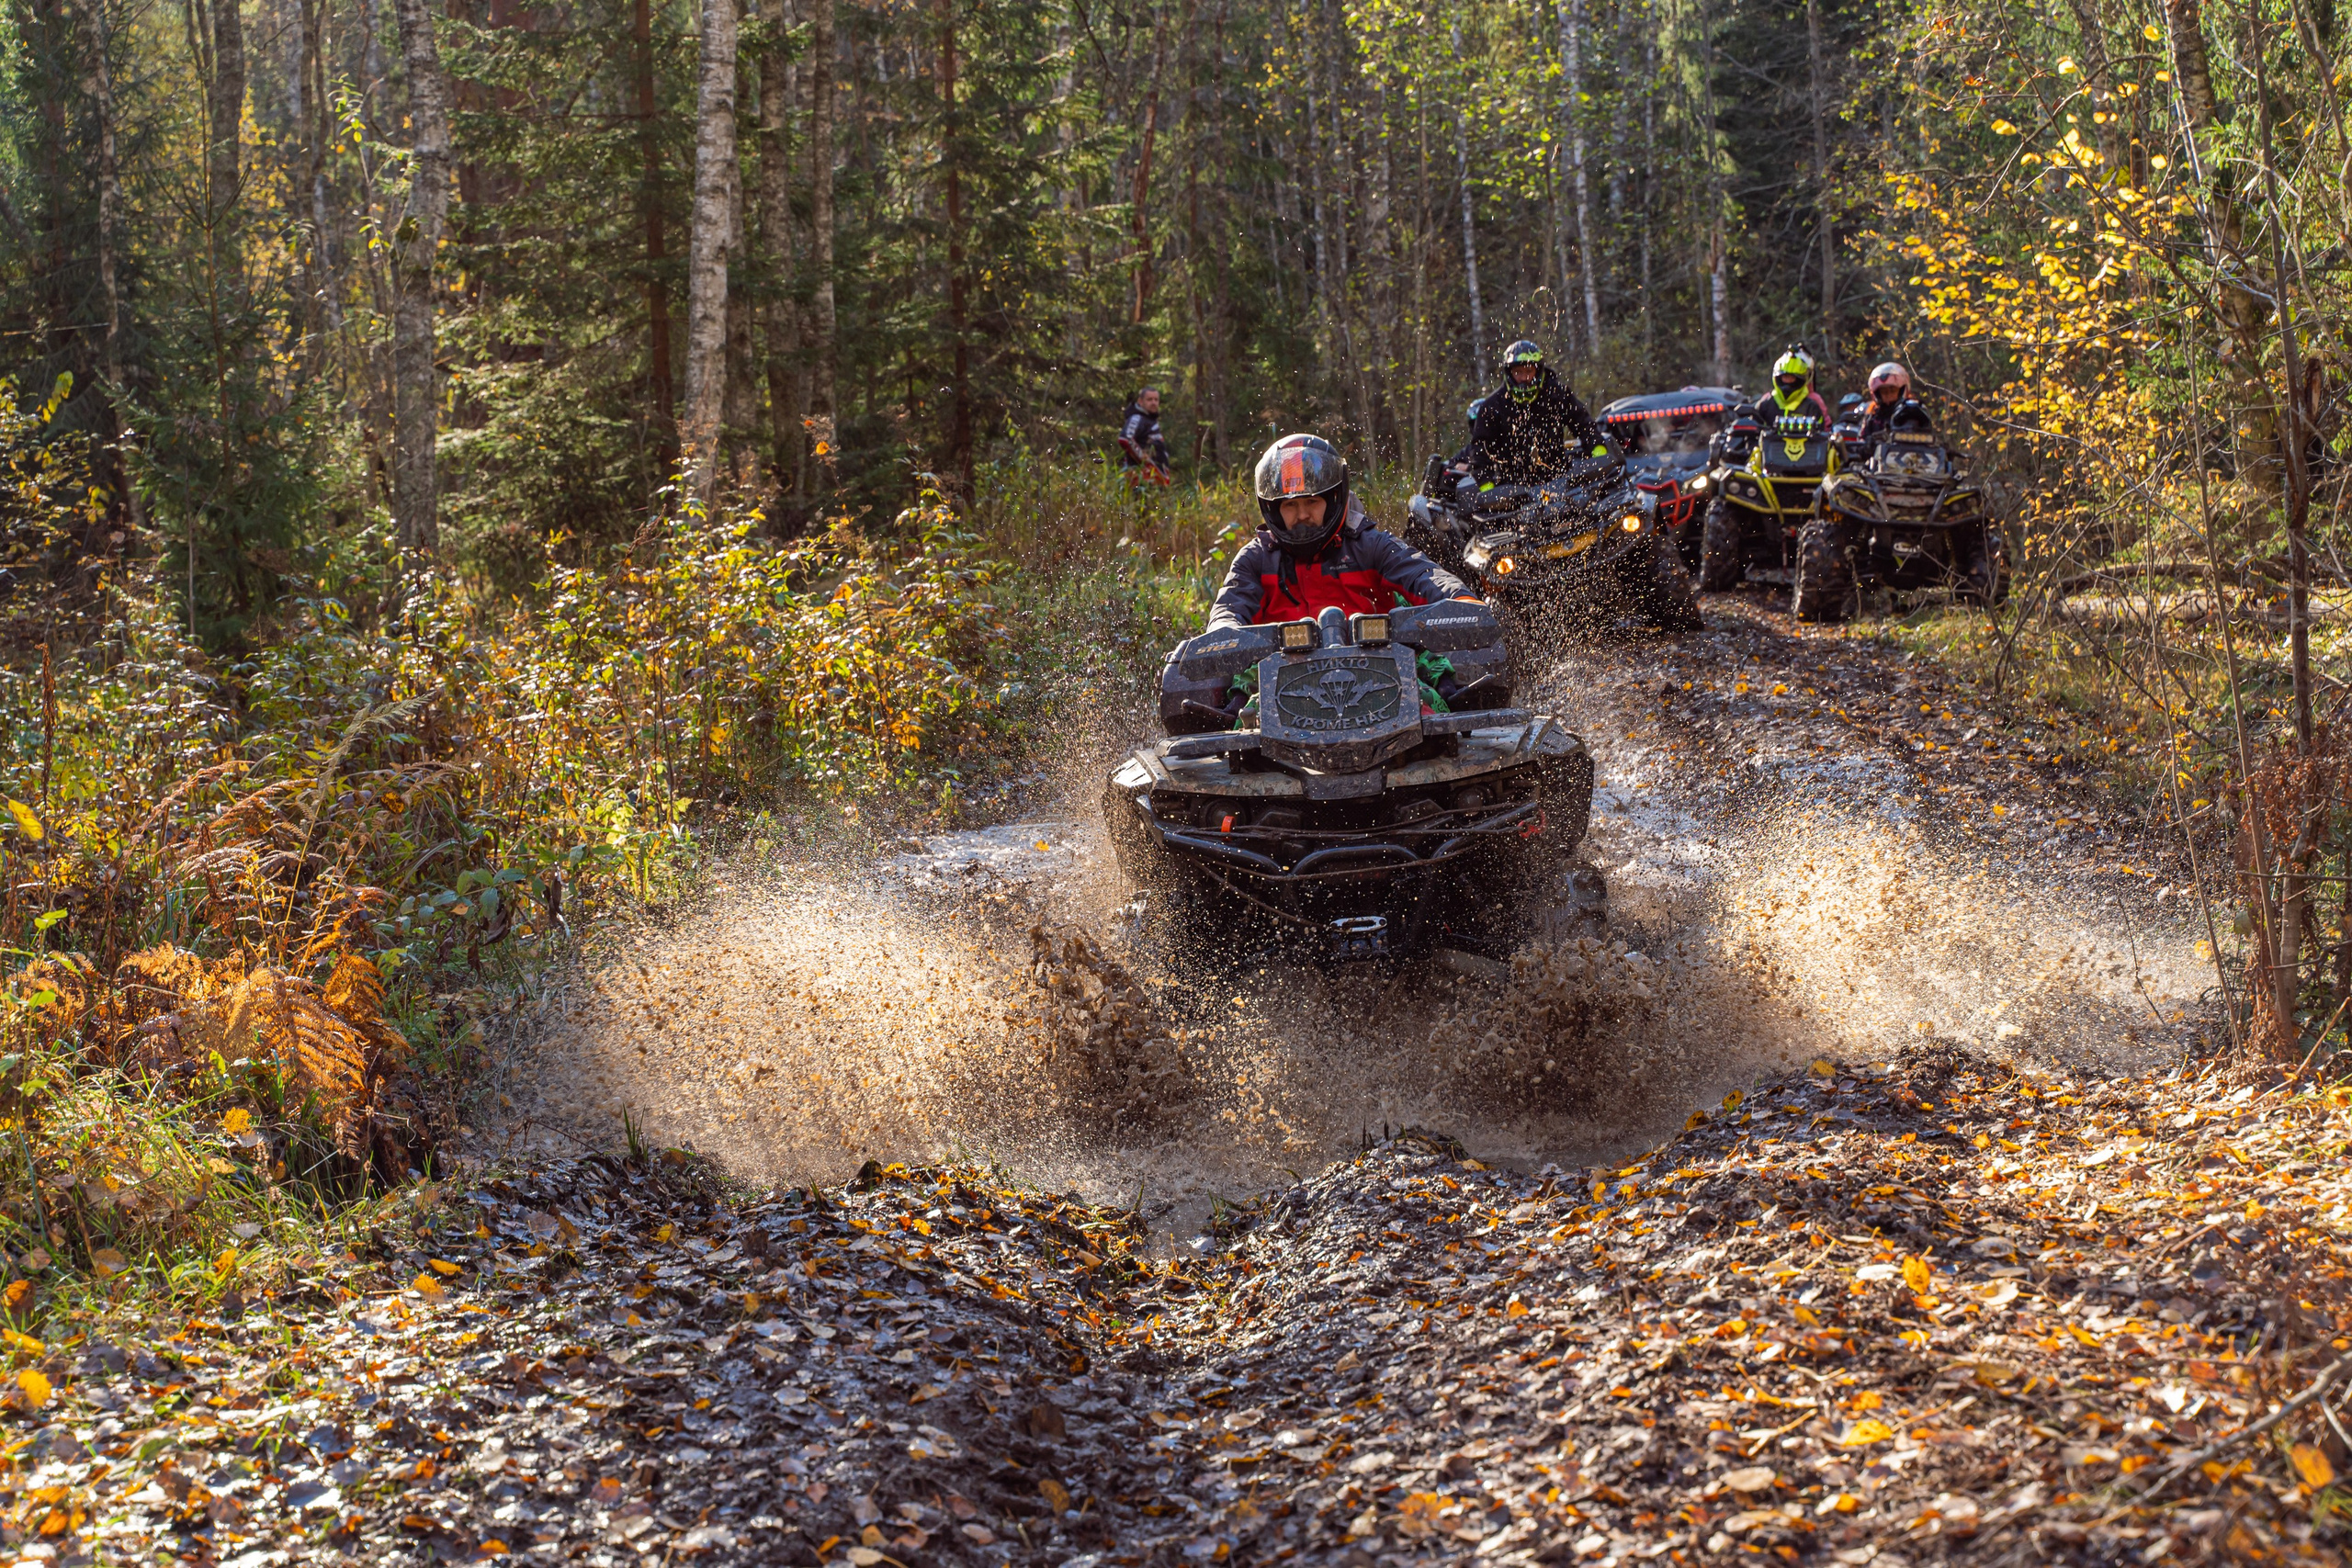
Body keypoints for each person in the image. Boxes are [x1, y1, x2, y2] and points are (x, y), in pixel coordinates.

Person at [1210, 434, 1474, 630]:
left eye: (1312, 502)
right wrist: (1223, 632)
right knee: (1224, 700)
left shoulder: (1369, 544)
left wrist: (1459, 599)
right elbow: (1229, 609)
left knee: (1447, 690)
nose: (1302, 514)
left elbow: (1422, 574)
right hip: (1275, 685)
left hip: (1381, 673)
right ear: (1273, 508)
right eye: (1291, 505)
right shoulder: (1256, 558)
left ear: (1333, 499)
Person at [1465, 341, 1609, 487]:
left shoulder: (1557, 394)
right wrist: (1488, 489)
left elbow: (1584, 424)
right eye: (1518, 372)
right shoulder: (1493, 406)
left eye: (1529, 371)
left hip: (1560, 482)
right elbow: (1479, 450)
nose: (1524, 378)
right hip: (1514, 492)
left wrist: (1599, 456)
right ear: (1509, 372)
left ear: (1539, 370)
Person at [1760, 345, 1829, 427]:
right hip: (1770, 440)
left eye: (1792, 377)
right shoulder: (1767, 402)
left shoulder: (1812, 404)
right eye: (1785, 377)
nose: (1788, 382)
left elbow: (1825, 430)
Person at [1117, 386, 1172, 478]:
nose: (1154, 403)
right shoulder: (1137, 418)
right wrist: (1146, 462)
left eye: (1156, 400)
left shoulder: (1149, 420)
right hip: (1139, 476)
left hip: (1154, 479)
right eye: (1149, 399)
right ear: (1140, 401)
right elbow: (1125, 439)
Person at [1856, 362, 1914, 446]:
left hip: (1910, 457)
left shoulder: (1913, 412)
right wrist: (1868, 445)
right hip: (1880, 458)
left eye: (1893, 390)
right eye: (1884, 391)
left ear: (1902, 390)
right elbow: (1860, 442)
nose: (1889, 394)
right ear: (1877, 394)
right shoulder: (1872, 417)